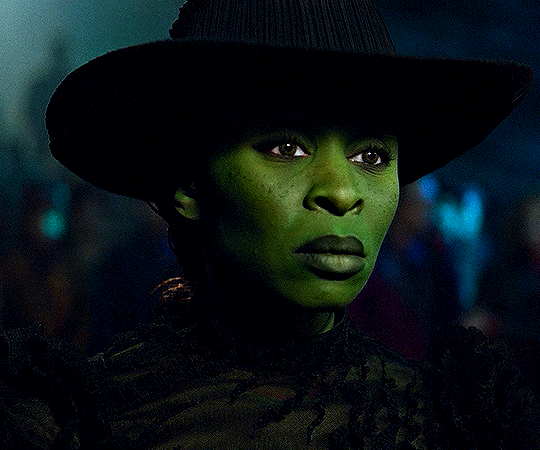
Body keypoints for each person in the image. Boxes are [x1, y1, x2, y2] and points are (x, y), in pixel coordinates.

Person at [1, 0, 538, 448]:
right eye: (286, 148)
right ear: (189, 182)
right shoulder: (73, 425)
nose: (343, 191)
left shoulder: (456, 423)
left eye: (371, 157)